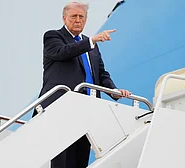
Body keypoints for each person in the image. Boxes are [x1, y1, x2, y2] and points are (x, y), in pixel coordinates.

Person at [32, 1, 131, 168]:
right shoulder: (53, 37)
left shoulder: (91, 45)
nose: (78, 20)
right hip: (60, 106)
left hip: (87, 109)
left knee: (80, 156)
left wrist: (114, 91)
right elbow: (63, 52)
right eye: (73, 16)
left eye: (81, 17)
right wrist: (91, 41)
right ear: (64, 18)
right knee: (61, 156)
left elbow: (101, 74)